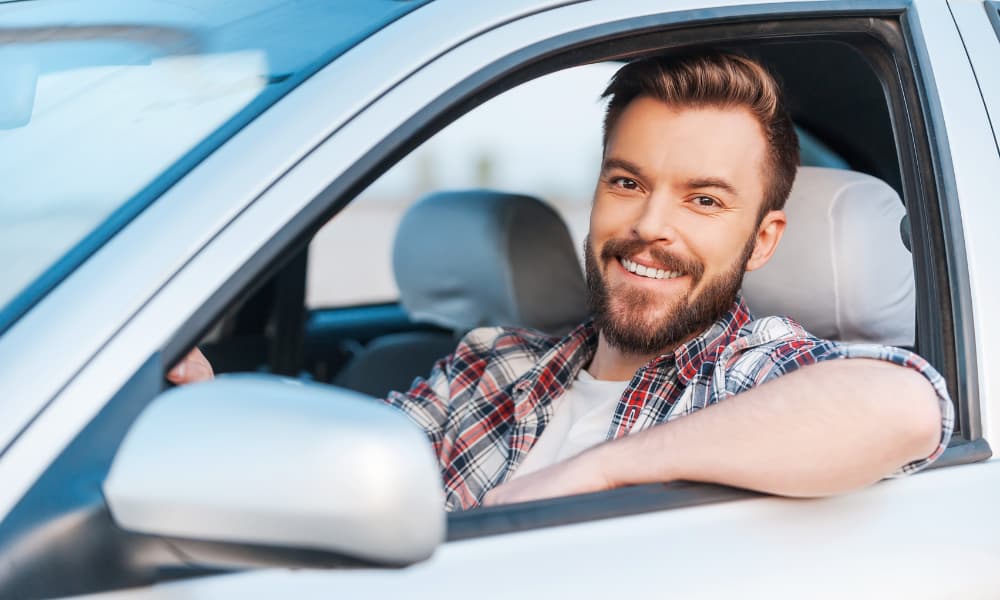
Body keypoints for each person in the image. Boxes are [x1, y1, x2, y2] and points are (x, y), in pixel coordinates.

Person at [169, 52, 953, 512]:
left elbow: (906, 405)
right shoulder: (493, 365)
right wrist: (214, 412)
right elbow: (346, 474)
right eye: (626, 182)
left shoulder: (753, 374)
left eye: (704, 200)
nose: (651, 224)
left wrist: (603, 469)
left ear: (762, 240)